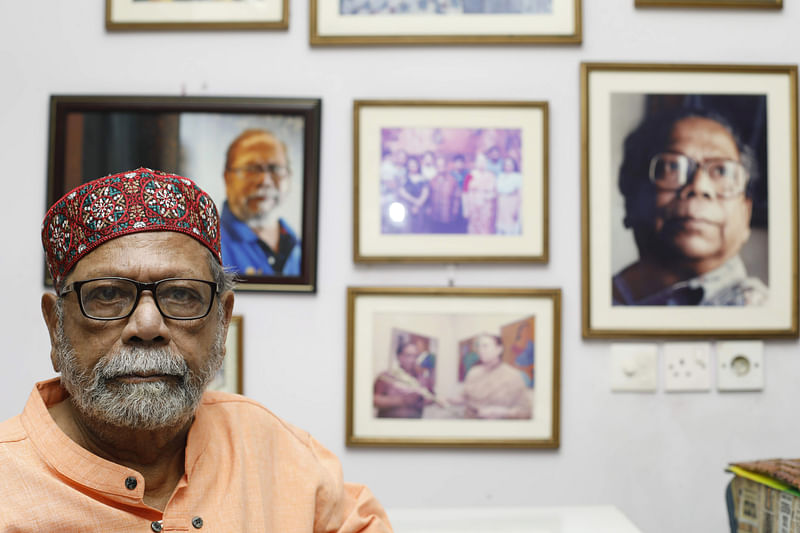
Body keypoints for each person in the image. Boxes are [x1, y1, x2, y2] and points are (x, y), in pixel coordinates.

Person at [1, 168, 391, 531]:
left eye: (181, 295)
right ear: (55, 326)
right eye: (107, 294)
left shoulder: (278, 452)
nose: (148, 326)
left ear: (222, 322)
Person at [612, 107, 768, 306]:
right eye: (672, 167)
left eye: (722, 171)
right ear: (630, 198)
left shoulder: (762, 315)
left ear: (746, 213)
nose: (698, 186)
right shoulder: (595, 301)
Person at [221, 129, 302, 277]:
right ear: (227, 178)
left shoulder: (300, 246)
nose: (265, 181)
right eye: (251, 169)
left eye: (275, 169)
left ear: (289, 177)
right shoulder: (209, 247)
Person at [449, 334, 531, 419]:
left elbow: (526, 411)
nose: (480, 350)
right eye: (479, 347)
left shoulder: (513, 376)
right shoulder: (472, 373)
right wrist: (449, 400)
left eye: (485, 346)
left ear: (499, 349)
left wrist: (502, 412)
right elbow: (464, 398)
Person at [373, 341, 437, 419]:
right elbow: (374, 400)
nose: (412, 360)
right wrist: (402, 400)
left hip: (413, 425)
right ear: (399, 356)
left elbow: (432, 397)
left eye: (416, 356)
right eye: (408, 355)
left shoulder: (423, 379)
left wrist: (423, 400)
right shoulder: (386, 376)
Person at [462, 153, 497, 234]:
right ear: (476, 163)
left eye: (483, 161)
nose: (481, 164)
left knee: (486, 228)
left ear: (486, 163)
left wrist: (486, 196)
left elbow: (495, 193)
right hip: (473, 207)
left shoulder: (491, 176)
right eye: (479, 161)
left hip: (486, 207)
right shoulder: (469, 176)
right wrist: (465, 210)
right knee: (473, 228)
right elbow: (464, 193)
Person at [427, 154, 462, 233]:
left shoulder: (452, 181)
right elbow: (429, 196)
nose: (440, 167)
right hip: (435, 215)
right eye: (438, 165)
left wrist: (455, 211)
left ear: (446, 166)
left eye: (442, 165)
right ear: (436, 167)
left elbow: (457, 197)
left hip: (448, 216)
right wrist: (429, 208)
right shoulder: (433, 180)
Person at [495, 156, 523, 235]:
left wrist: (516, 210)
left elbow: (519, 195)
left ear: (514, 166)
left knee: (511, 229)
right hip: (501, 205)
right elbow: (497, 192)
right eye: (506, 165)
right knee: (501, 228)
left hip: (512, 204)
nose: (508, 167)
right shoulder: (500, 176)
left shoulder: (518, 177)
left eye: (510, 165)